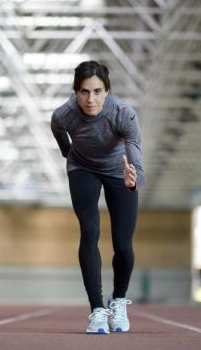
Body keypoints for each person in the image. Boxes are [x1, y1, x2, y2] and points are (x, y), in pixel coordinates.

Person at [51, 60, 146, 334]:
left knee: (123, 244)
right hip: (83, 169)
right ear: (75, 91)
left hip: (119, 171)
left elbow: (135, 151)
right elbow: (58, 131)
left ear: (107, 91)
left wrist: (134, 178)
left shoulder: (123, 114)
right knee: (90, 231)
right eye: (84, 92)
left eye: (97, 91)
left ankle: (118, 301)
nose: (90, 99)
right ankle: (97, 309)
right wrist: (67, 152)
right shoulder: (64, 115)